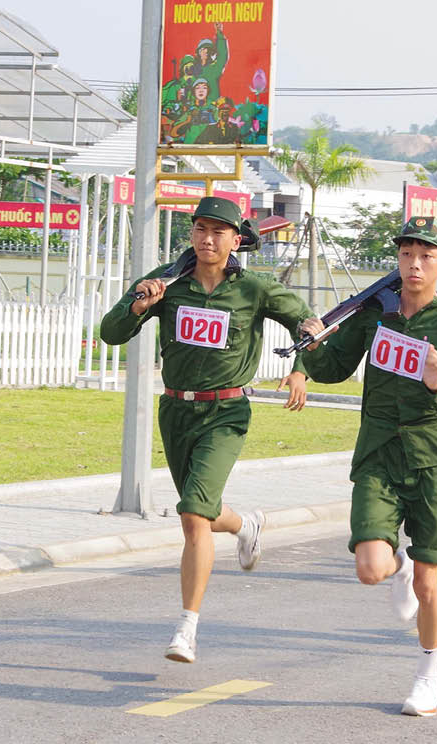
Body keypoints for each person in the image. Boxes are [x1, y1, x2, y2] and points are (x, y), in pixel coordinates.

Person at [99, 197, 318, 663]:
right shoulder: (166, 283)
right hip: (176, 412)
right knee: (198, 510)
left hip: (227, 413)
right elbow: (110, 333)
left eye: (218, 231)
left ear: (237, 240)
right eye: (200, 229)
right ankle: (246, 525)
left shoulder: (255, 289)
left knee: (194, 516)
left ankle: (186, 628)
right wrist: (140, 307)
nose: (207, 238)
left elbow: (310, 325)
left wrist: (301, 369)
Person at [299, 216, 437, 716]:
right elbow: (334, 368)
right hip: (380, 453)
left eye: (427, 256)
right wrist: (314, 343)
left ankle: (427, 677)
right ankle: (395, 566)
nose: (415, 264)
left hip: (433, 461)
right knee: (370, 568)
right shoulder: (374, 314)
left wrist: (435, 384)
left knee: (430, 582)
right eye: (407, 255)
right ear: (397, 261)